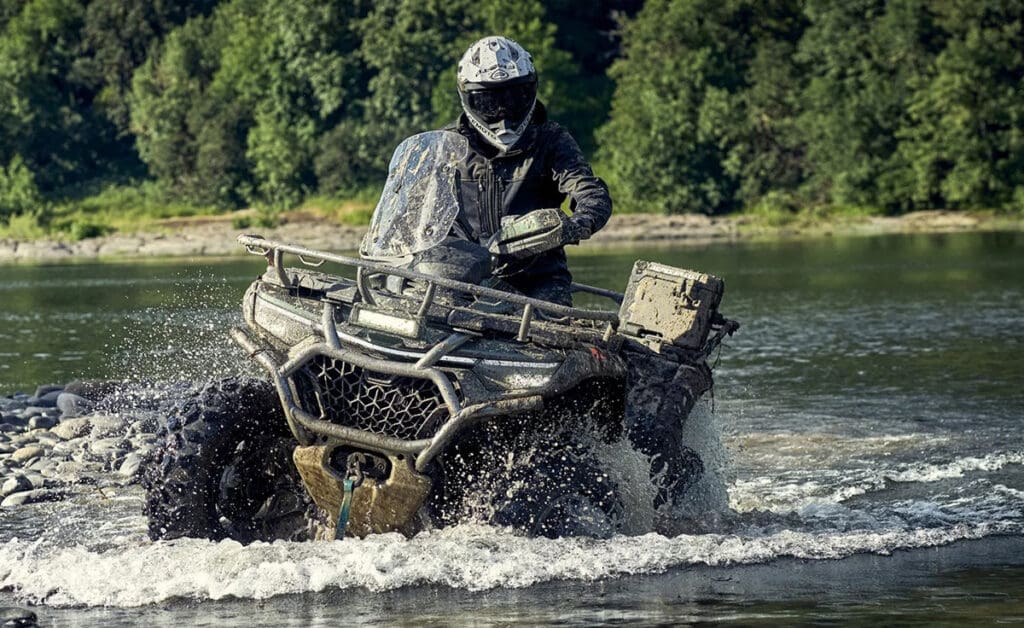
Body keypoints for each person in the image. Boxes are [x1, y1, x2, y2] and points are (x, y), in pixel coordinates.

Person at [442, 35, 612, 306]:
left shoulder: (551, 140)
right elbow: (413, 210)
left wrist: (575, 224)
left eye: (513, 98)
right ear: (467, 97)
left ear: (530, 91)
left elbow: (590, 192)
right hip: (461, 277)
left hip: (538, 279)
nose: (502, 113)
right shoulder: (445, 146)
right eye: (489, 102)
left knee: (554, 334)